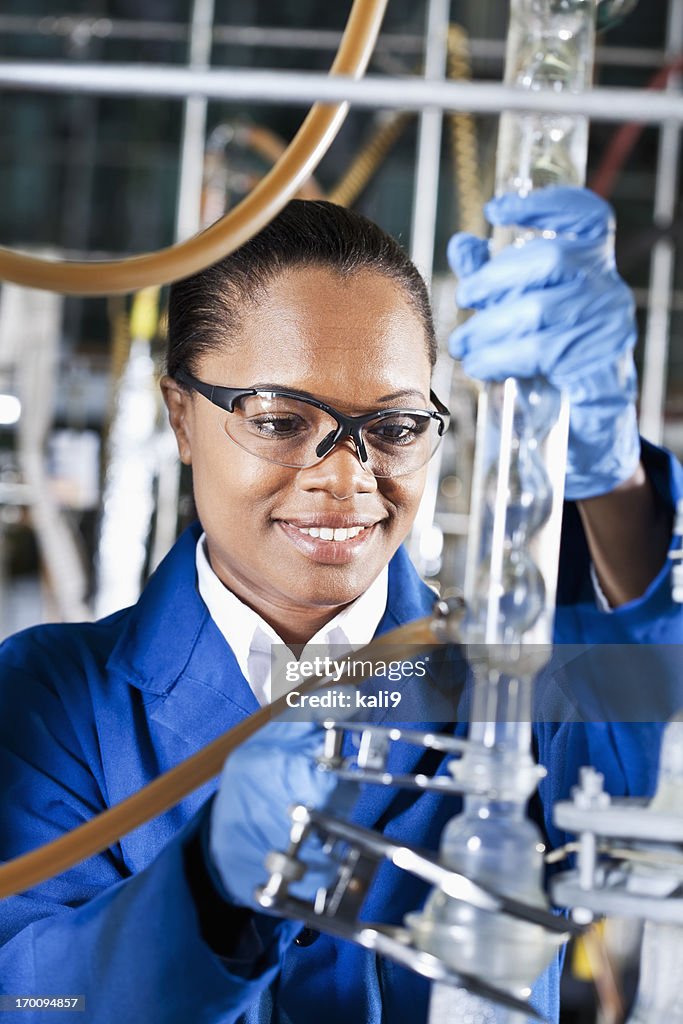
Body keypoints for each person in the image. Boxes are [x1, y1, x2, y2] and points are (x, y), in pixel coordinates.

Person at [0, 187, 681, 1024]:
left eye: (393, 428)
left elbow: (648, 742)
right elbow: (29, 994)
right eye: (281, 419)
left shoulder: (513, 679)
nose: (345, 476)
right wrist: (207, 893)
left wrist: (612, 485)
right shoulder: (53, 697)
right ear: (181, 417)